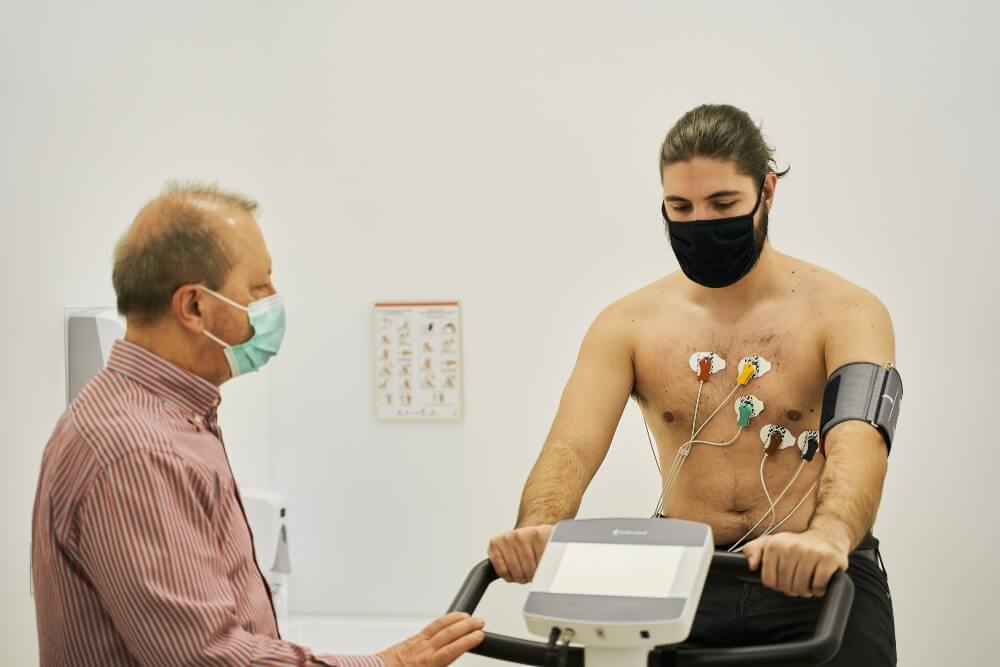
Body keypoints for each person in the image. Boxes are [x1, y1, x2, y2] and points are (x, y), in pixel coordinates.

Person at [487, 105, 897, 664]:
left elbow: (861, 437)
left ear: (767, 192)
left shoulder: (848, 312)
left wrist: (828, 537)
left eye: (723, 204)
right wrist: (538, 527)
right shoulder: (626, 323)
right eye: (680, 207)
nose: (700, 222)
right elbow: (570, 446)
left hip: (817, 576)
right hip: (686, 577)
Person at [31, 183, 484, 667]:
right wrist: (389, 665)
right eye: (259, 286)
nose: (274, 300)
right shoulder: (137, 451)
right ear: (193, 306)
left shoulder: (171, 419)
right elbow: (207, 658)